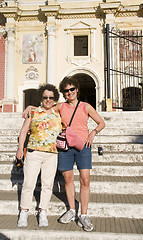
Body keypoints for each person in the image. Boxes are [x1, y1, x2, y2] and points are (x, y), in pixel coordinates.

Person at [23, 77, 105, 232]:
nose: (70, 93)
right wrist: (30, 107)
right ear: (63, 93)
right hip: (65, 147)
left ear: (77, 90)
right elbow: (45, 108)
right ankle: (72, 210)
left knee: (85, 179)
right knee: (68, 179)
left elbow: (101, 123)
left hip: (83, 146)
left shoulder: (86, 106)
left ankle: (84, 214)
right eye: (66, 91)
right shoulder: (60, 107)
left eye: (72, 89)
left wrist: (93, 133)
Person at [16, 84, 62, 228]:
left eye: (51, 97)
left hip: (51, 154)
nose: (48, 100)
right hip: (33, 152)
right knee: (29, 183)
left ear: (55, 99)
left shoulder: (58, 113)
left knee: (47, 185)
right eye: (45, 97)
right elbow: (23, 131)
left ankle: (42, 211)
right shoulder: (34, 112)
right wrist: (19, 149)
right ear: (41, 98)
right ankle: (24, 211)